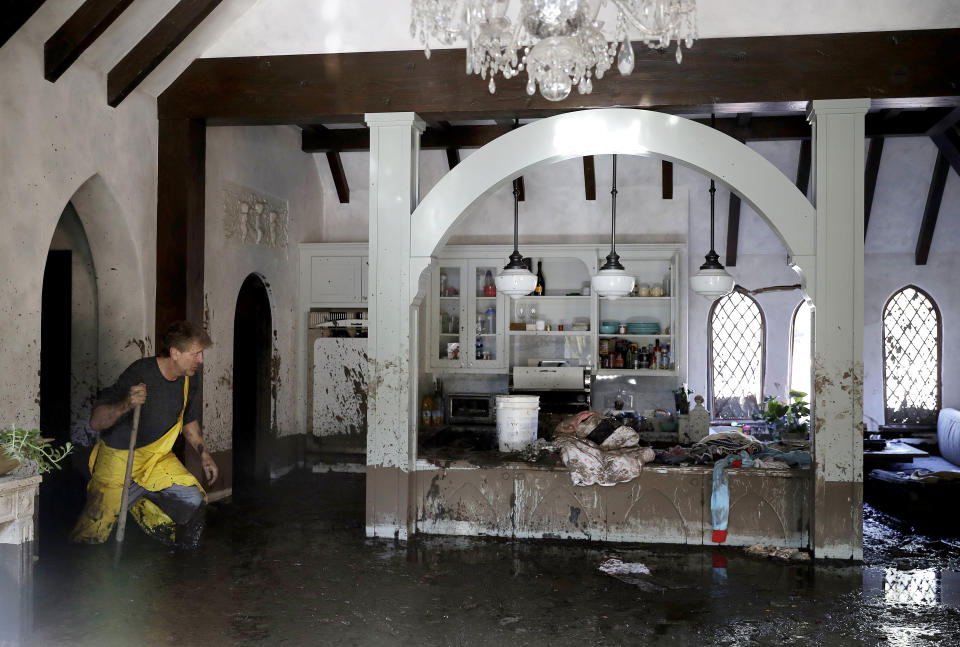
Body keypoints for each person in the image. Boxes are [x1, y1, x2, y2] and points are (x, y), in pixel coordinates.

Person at [70, 321, 218, 547]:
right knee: (93, 534)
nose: (201, 360)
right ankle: (87, 571)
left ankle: (176, 554)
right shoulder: (140, 372)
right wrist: (128, 403)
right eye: (196, 354)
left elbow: (188, 420)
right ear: (175, 353)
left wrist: (204, 455)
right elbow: (96, 421)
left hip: (156, 460)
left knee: (194, 500)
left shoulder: (190, 378)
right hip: (120, 460)